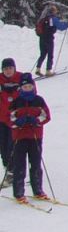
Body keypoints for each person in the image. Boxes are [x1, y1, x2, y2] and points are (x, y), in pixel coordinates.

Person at [8, 73, 51, 203]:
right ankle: (19, 193)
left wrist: (36, 120)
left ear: (33, 87)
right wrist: (18, 122)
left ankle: (38, 190)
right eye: (25, 87)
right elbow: (9, 118)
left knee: (36, 163)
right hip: (20, 137)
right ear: (21, 88)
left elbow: (46, 116)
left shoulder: (39, 100)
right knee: (19, 165)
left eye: (29, 86)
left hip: (35, 136)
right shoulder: (16, 102)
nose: (27, 88)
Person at [0, 58, 20, 187]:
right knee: (2, 147)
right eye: (5, 69)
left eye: (10, 68)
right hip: (1, 119)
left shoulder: (21, 78)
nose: (8, 71)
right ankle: (8, 168)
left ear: (14, 68)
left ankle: (12, 172)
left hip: (15, 120)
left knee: (11, 147)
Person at [34, 4, 68, 76]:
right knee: (50, 54)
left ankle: (38, 68)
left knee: (43, 54)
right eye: (55, 10)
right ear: (52, 11)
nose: (56, 12)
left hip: (42, 38)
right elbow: (61, 27)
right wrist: (66, 24)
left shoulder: (42, 18)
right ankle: (48, 70)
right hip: (49, 38)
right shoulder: (53, 19)